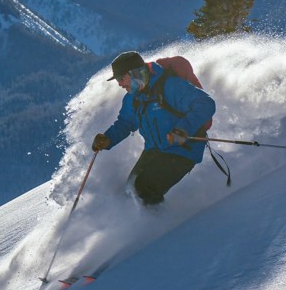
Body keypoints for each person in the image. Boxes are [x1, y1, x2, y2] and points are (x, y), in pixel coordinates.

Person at [92, 51, 216, 206]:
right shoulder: (133, 98)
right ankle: (138, 225)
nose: (119, 83)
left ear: (134, 72)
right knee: (129, 191)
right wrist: (108, 139)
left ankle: (159, 226)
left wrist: (182, 130)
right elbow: (125, 123)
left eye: (120, 78)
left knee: (144, 188)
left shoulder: (170, 86)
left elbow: (205, 104)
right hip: (155, 150)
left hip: (183, 150)